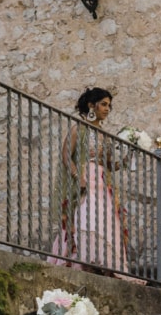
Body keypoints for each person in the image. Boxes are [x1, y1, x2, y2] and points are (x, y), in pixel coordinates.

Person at [50, 87, 128, 276]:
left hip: (102, 183)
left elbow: (109, 164)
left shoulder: (105, 136)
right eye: (103, 104)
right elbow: (66, 155)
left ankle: (104, 263)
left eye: (109, 105)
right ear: (91, 105)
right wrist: (79, 177)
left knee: (106, 221)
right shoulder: (79, 128)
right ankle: (84, 261)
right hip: (85, 181)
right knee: (86, 218)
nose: (107, 109)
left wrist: (125, 160)